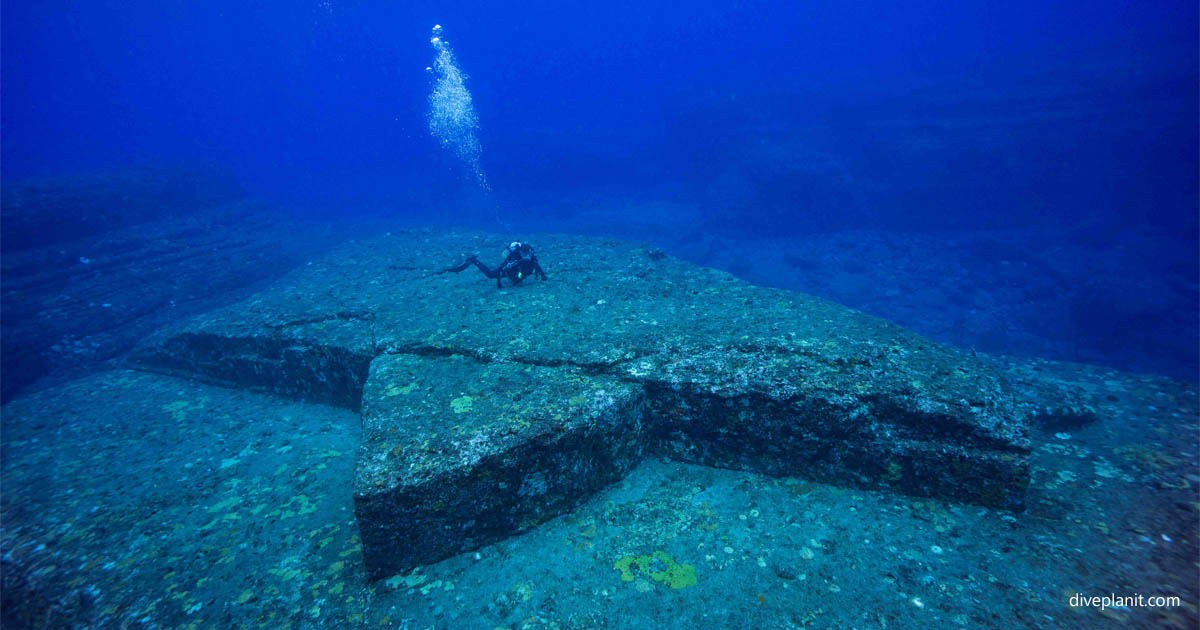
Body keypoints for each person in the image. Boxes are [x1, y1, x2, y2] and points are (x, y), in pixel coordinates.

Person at [442, 241, 548, 288]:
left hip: (517, 271)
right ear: (521, 252)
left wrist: (542, 275)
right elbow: (506, 268)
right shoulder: (516, 257)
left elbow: (536, 264)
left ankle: (515, 279)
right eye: (526, 253)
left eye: (529, 253)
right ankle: (474, 260)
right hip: (510, 269)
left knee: (517, 279)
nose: (528, 256)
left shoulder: (531, 256)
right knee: (491, 274)